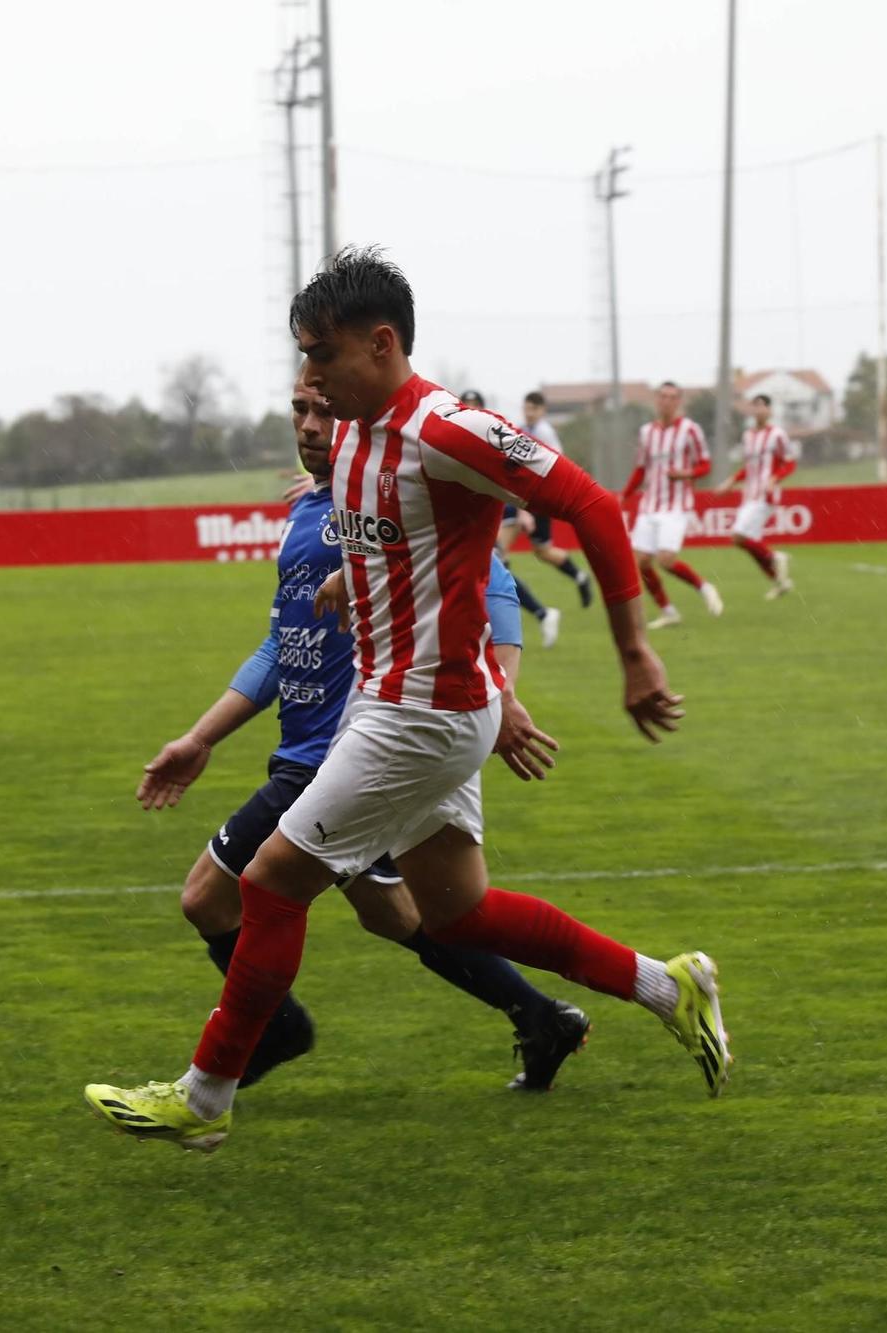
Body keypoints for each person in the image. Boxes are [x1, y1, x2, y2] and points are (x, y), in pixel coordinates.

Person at [84, 249, 726, 1153]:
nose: (308, 379)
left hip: (421, 712)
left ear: (381, 344)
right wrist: (360, 576)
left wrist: (635, 654)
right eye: (300, 356)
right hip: (396, 707)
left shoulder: (449, 428)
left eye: (322, 355)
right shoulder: (348, 439)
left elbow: (593, 507)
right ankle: (669, 985)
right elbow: (392, 532)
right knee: (456, 914)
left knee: (268, 881)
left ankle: (204, 1097)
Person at [142, 373, 593, 1095]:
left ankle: (258, 1042)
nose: (312, 424)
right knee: (399, 913)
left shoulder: (391, 495)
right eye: (299, 408)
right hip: (321, 746)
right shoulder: (313, 508)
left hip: (348, 748)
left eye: (326, 409)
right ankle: (542, 1015)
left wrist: (502, 692)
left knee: (208, 897)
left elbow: (496, 581)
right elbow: (280, 646)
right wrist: (201, 737)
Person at [465, 388, 562, 648]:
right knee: (494, 569)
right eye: (467, 404)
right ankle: (540, 615)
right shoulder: (455, 441)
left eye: (475, 404)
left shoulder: (491, 438)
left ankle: (533, 619)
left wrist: (523, 509)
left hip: (495, 516)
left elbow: (518, 476)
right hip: (475, 521)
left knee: (494, 570)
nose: (471, 408)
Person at [622, 381, 723, 628]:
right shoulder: (647, 432)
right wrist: (623, 496)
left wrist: (685, 473)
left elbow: (705, 465)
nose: (666, 401)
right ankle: (668, 611)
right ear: (656, 400)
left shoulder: (690, 430)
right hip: (650, 505)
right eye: (662, 397)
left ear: (679, 401)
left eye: (671, 397)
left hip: (676, 505)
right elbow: (641, 469)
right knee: (641, 563)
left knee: (666, 560)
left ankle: (704, 587)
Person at [496, 390, 595, 616]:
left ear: (542, 411)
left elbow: (554, 466)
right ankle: (578, 578)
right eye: (526, 408)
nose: (528, 413)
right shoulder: (522, 428)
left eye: (533, 409)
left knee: (504, 552)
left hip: (533, 501)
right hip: (522, 500)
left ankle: (531, 608)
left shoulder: (545, 432)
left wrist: (527, 509)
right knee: (537, 551)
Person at [717, 393, 798, 599]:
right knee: (749, 544)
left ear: (769, 411)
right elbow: (750, 468)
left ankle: (775, 557)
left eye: (763, 406)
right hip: (749, 496)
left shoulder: (777, 435)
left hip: (765, 496)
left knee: (738, 538)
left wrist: (774, 479)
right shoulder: (748, 436)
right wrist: (731, 481)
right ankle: (779, 582)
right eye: (755, 406)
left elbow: (789, 463)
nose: (759, 410)